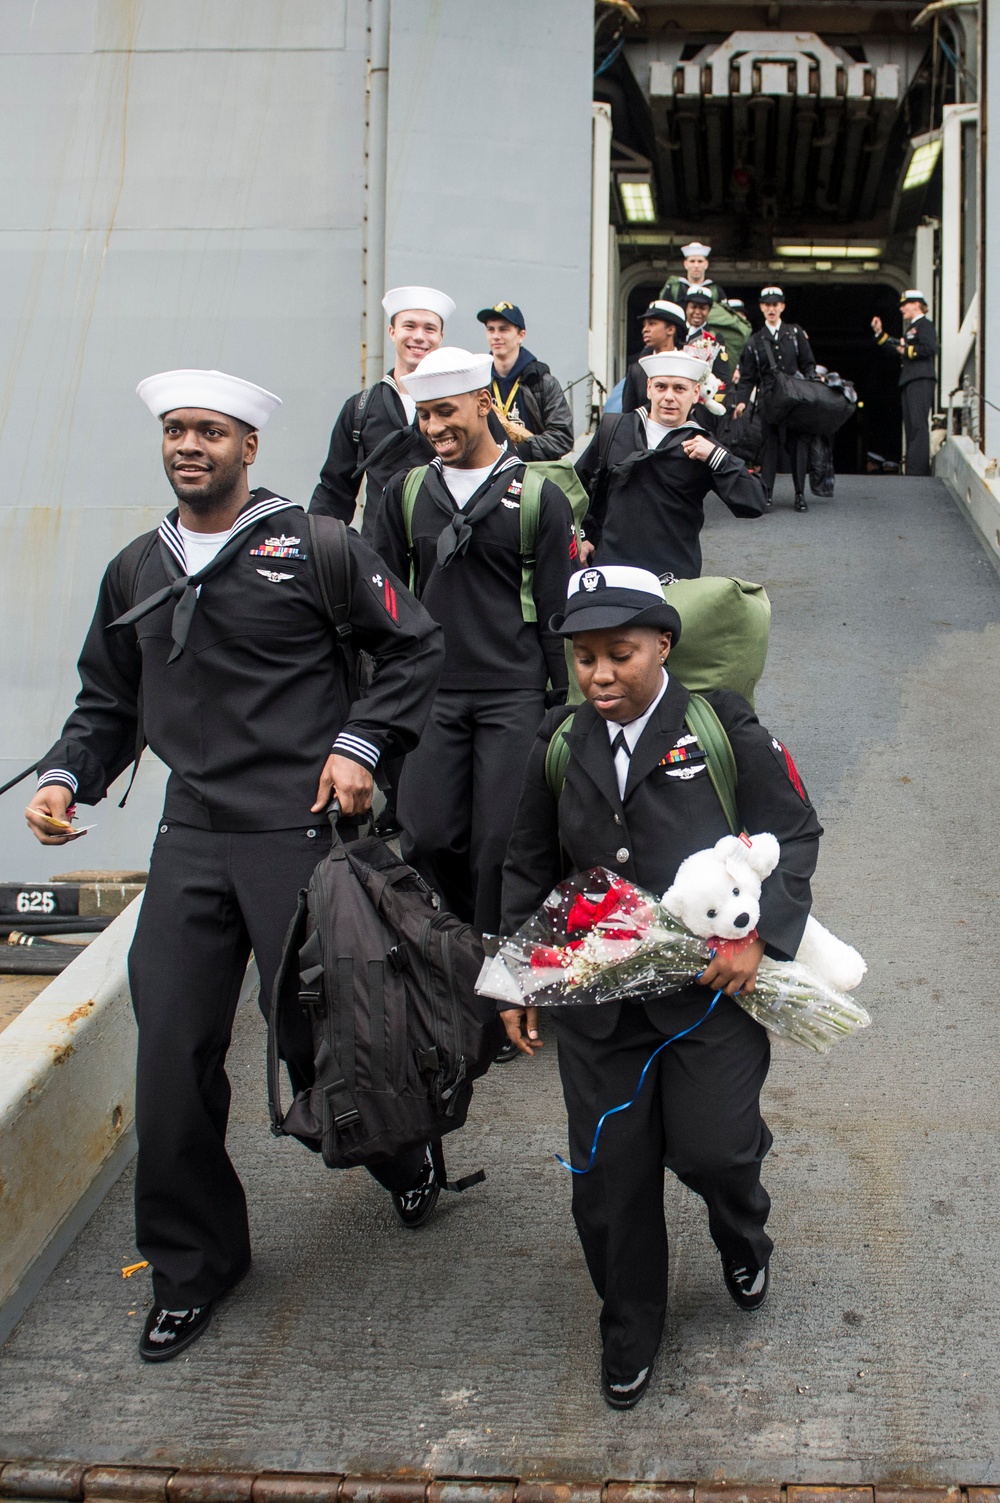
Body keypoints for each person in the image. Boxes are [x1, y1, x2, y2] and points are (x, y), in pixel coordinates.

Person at [24, 369, 445, 1363]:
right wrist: (64, 779)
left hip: (298, 833)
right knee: (169, 1057)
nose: (190, 445)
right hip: (192, 837)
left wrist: (361, 747)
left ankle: (403, 1149)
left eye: (210, 431)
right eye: (176, 430)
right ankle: (193, 1265)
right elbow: (107, 702)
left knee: (325, 1038)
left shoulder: (317, 549)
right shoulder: (136, 567)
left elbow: (414, 651)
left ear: (248, 448)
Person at [499, 564, 822, 1408]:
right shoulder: (558, 741)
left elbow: (793, 829)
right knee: (610, 1178)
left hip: (710, 994)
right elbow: (527, 865)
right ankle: (630, 1327)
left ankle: (742, 1231)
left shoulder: (723, 727)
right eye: (584, 658)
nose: (600, 675)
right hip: (601, 1005)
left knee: (715, 1149)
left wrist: (759, 938)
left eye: (620, 654)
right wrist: (515, 981)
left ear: (663, 644)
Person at [374, 347, 575, 937]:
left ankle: (494, 962)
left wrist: (559, 704)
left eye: (445, 412)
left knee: (500, 843)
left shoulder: (539, 497)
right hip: (431, 692)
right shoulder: (405, 493)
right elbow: (382, 596)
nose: (434, 428)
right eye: (424, 416)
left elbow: (557, 611)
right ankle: (452, 948)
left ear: (484, 403)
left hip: (512, 693)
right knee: (428, 837)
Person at [575, 351, 765, 578]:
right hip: (611, 570)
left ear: (696, 393)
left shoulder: (702, 445)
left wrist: (718, 458)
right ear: (648, 388)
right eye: (661, 386)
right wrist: (581, 535)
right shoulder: (614, 429)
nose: (668, 396)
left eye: (679, 389)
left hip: (673, 578)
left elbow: (754, 502)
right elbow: (574, 485)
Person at [310, 285, 456, 535]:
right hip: (380, 556)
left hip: (446, 553)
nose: (419, 336)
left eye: (429, 328)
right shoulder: (361, 409)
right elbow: (335, 490)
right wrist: (314, 544)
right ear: (392, 332)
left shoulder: (464, 407)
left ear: (441, 336)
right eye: (409, 326)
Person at [736, 287, 817, 513]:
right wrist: (742, 400)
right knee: (769, 446)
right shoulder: (755, 341)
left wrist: (813, 388)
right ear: (762, 308)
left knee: (798, 444)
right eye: (767, 305)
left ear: (782, 306)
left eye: (775, 304)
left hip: (794, 398)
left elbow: (808, 364)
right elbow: (748, 376)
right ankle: (767, 493)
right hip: (769, 398)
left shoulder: (794, 334)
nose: (771, 309)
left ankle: (800, 494)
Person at [476, 301, 575, 459]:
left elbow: (562, 437)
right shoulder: (478, 382)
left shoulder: (543, 383)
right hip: (489, 474)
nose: (495, 336)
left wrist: (520, 451)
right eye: (490, 329)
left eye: (503, 329)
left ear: (521, 335)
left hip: (533, 473)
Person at [871, 290, 938, 477]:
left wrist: (906, 350)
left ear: (916, 304)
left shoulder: (924, 324)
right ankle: (913, 469)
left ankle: (917, 471)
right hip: (911, 379)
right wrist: (880, 334)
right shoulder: (912, 328)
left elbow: (930, 348)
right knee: (910, 425)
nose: (901, 309)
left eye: (904, 304)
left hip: (920, 378)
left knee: (917, 425)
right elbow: (897, 347)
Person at [621, 300, 688, 414]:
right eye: (644, 325)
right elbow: (628, 416)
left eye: (652, 323)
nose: (645, 329)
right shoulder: (637, 370)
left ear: (671, 329)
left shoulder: (689, 366)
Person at [660, 240, 725, 306]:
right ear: (685, 264)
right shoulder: (674, 288)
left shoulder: (716, 290)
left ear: (706, 264)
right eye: (692, 261)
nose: (696, 265)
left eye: (700, 261)